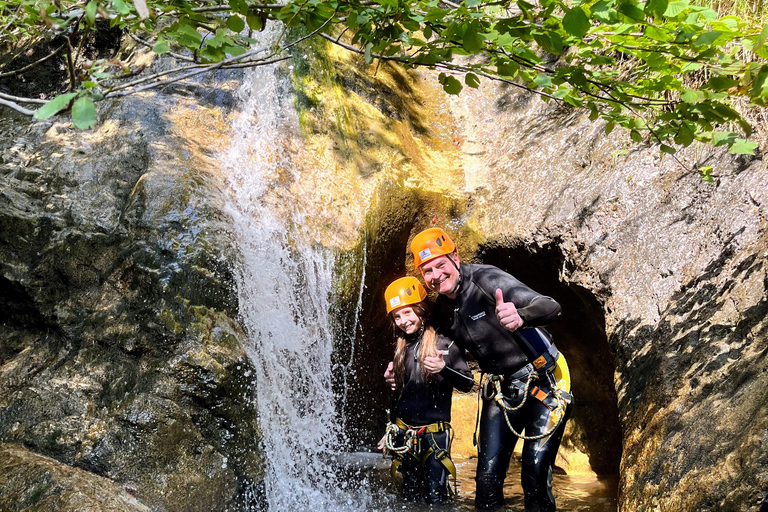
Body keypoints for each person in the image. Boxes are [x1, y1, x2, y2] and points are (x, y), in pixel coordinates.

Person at [387, 227, 573, 512]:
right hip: (500, 389)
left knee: (534, 475)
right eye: (427, 271)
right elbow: (416, 333)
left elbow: (551, 306)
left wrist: (521, 316)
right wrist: (396, 369)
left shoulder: (488, 279)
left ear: (455, 258)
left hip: (545, 381)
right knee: (486, 481)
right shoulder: (441, 311)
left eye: (440, 265)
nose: (436, 275)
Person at [378, 276, 475, 505]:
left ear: (421, 310)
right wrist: (390, 428)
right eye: (397, 316)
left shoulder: (444, 344)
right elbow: (399, 396)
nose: (403, 321)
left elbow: (468, 383)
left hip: (434, 436)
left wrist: (444, 369)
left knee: (436, 498)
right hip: (404, 434)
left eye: (408, 312)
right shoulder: (401, 348)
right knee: (410, 497)